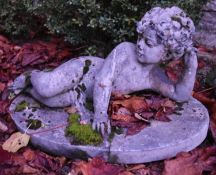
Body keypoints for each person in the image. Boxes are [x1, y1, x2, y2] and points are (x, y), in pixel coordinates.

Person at [12, 6, 198, 135]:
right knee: (47, 88)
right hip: (83, 71)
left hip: (83, 94)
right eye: (140, 37)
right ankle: (33, 75)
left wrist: (191, 67)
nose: (140, 45)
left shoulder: (153, 77)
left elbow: (179, 95)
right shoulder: (126, 50)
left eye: (148, 43)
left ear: (166, 54)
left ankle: (28, 87)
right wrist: (100, 115)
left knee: (53, 101)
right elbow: (104, 79)